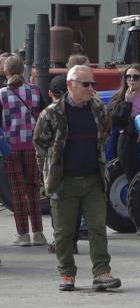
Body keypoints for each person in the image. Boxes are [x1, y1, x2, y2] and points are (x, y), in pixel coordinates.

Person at [34, 65, 120, 291]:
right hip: (64, 182)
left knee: (98, 228)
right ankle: (67, 273)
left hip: (93, 179)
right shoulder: (51, 113)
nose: (91, 89)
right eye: (86, 84)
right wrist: (48, 175)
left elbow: (106, 132)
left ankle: (102, 272)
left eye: (93, 84)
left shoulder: (99, 109)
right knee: (63, 232)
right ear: (71, 85)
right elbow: (40, 144)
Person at [0, 55, 47, 246]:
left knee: (18, 191)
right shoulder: (35, 91)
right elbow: (44, 117)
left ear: (5, 70)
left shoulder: (2, 94)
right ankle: (39, 233)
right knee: (34, 188)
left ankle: (23, 234)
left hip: (10, 147)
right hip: (32, 146)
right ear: (23, 70)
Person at [45, 76, 80, 255]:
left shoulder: (49, 113)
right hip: (76, 165)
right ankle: (72, 240)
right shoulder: (78, 110)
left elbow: (41, 143)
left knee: (57, 205)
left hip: (55, 167)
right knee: (74, 205)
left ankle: (61, 241)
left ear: (50, 93)